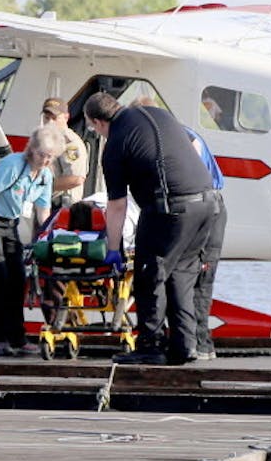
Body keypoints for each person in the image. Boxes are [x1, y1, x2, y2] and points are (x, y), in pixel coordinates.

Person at [84, 92, 214, 365]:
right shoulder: (159, 114)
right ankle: (184, 346)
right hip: (208, 204)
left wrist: (112, 249)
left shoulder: (115, 145)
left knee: (149, 275)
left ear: (97, 122)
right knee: (180, 276)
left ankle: (150, 346)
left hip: (169, 208)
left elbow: (117, 206)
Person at [0, 126, 61, 356]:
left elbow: (43, 211)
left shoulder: (45, 176)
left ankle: (17, 337)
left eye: (50, 156)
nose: (45, 160)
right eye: (42, 154)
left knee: (17, 277)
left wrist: (45, 239)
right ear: (32, 150)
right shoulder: (13, 165)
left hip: (10, 224)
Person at [185, 127, 226, 360]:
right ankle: (201, 342)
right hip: (209, 206)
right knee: (200, 276)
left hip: (205, 208)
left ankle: (200, 343)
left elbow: (194, 149)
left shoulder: (181, 136)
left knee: (199, 275)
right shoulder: (182, 131)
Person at [41, 98, 89, 205]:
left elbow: (76, 179)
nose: (49, 122)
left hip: (62, 206)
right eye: (46, 118)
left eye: (54, 118)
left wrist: (41, 185)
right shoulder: (46, 139)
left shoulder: (70, 144)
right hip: (45, 202)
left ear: (66, 117)